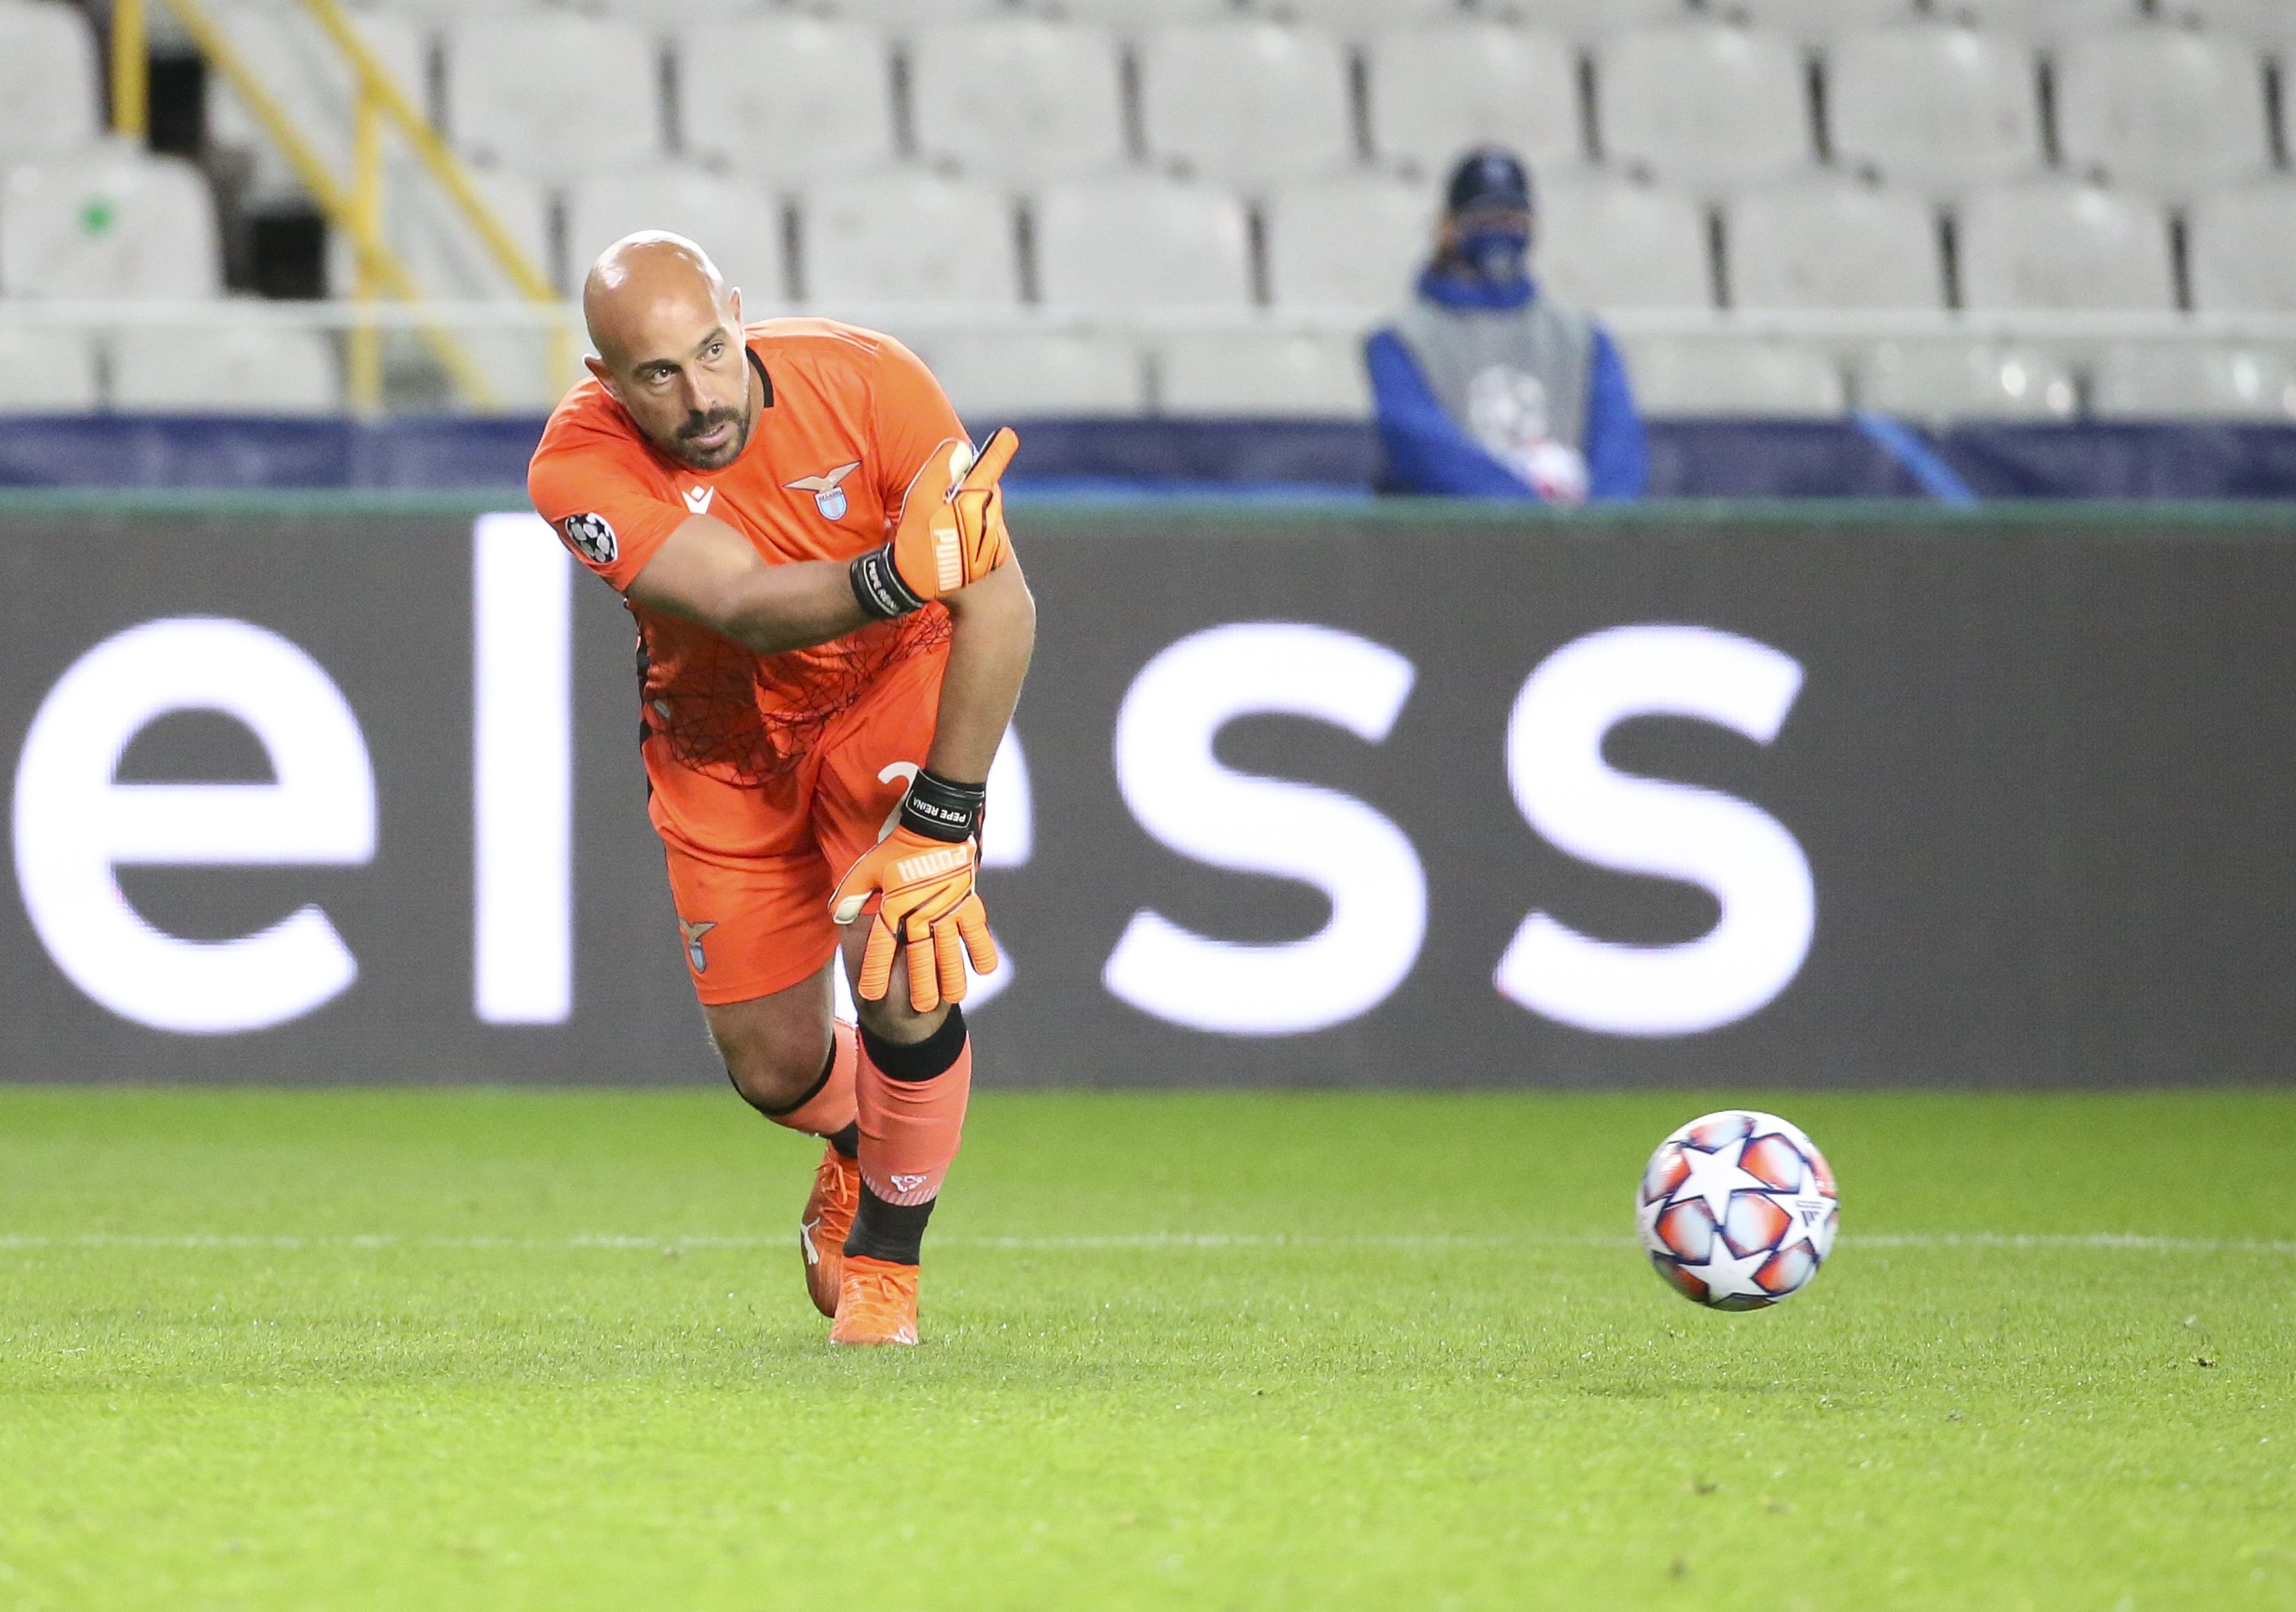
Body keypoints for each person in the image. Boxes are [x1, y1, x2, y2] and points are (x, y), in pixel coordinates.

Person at [527, 233, 1036, 1347]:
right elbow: (743, 602)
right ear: (604, 379)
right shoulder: (574, 465)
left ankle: (885, 1275)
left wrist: (944, 816)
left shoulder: (872, 383)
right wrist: (902, 570)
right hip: (720, 748)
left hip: (884, 693)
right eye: (658, 373)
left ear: (740, 315)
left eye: (713, 350)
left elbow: (999, 603)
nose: (700, 393)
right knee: (772, 1065)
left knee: (904, 966)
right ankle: (863, 1135)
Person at [1365, 147, 1649, 502]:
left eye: (1511, 219)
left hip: (1573, 547)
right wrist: (1529, 513)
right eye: (1483, 219)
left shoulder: (1583, 337)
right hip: (1450, 546)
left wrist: (1593, 534)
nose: (1499, 232)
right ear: (1448, 227)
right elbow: (1423, 450)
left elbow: (1619, 455)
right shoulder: (1399, 339)